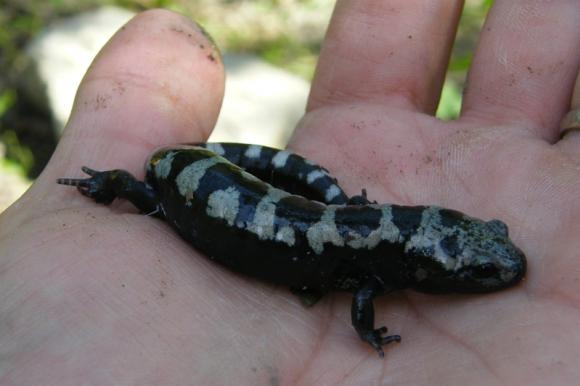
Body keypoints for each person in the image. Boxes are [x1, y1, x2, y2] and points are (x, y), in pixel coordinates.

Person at [1, 3, 579, 384]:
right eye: (478, 268)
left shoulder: (382, 246)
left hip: (221, 185)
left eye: (482, 257)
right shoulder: (378, 268)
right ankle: (112, 186)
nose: (498, 266)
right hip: (181, 180)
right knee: (146, 197)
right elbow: (360, 305)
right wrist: (107, 184)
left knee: (298, 199)